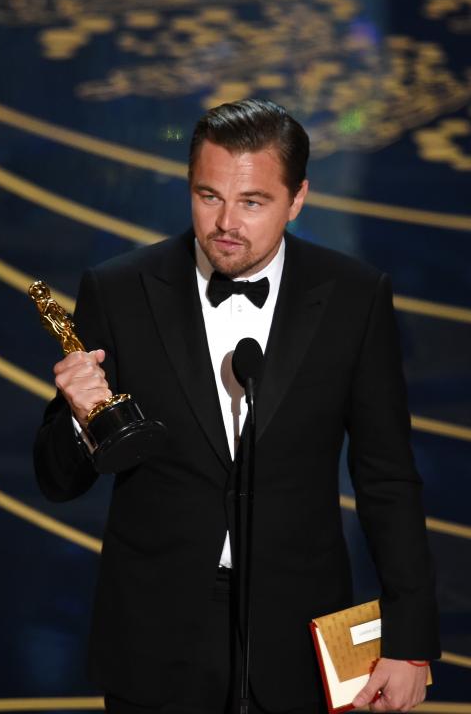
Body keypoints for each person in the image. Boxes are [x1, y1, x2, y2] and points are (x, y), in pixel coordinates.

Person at [34, 99, 440, 714]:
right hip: (155, 640)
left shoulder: (354, 297)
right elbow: (57, 481)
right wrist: (79, 417)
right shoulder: (119, 290)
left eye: (252, 202)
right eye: (209, 196)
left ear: (297, 199)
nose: (225, 223)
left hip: (299, 636)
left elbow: (388, 477)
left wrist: (409, 643)